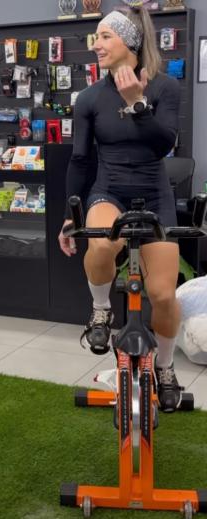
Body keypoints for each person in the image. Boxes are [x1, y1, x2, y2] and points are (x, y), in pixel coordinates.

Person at [58, 8, 182, 412]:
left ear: (130, 43)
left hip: (155, 194)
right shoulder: (90, 98)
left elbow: (163, 145)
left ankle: (164, 367)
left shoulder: (165, 87)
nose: (96, 44)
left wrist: (138, 104)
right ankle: (100, 310)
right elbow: (80, 161)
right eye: (96, 36)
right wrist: (69, 217)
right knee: (100, 246)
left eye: (105, 36)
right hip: (108, 190)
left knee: (163, 294)